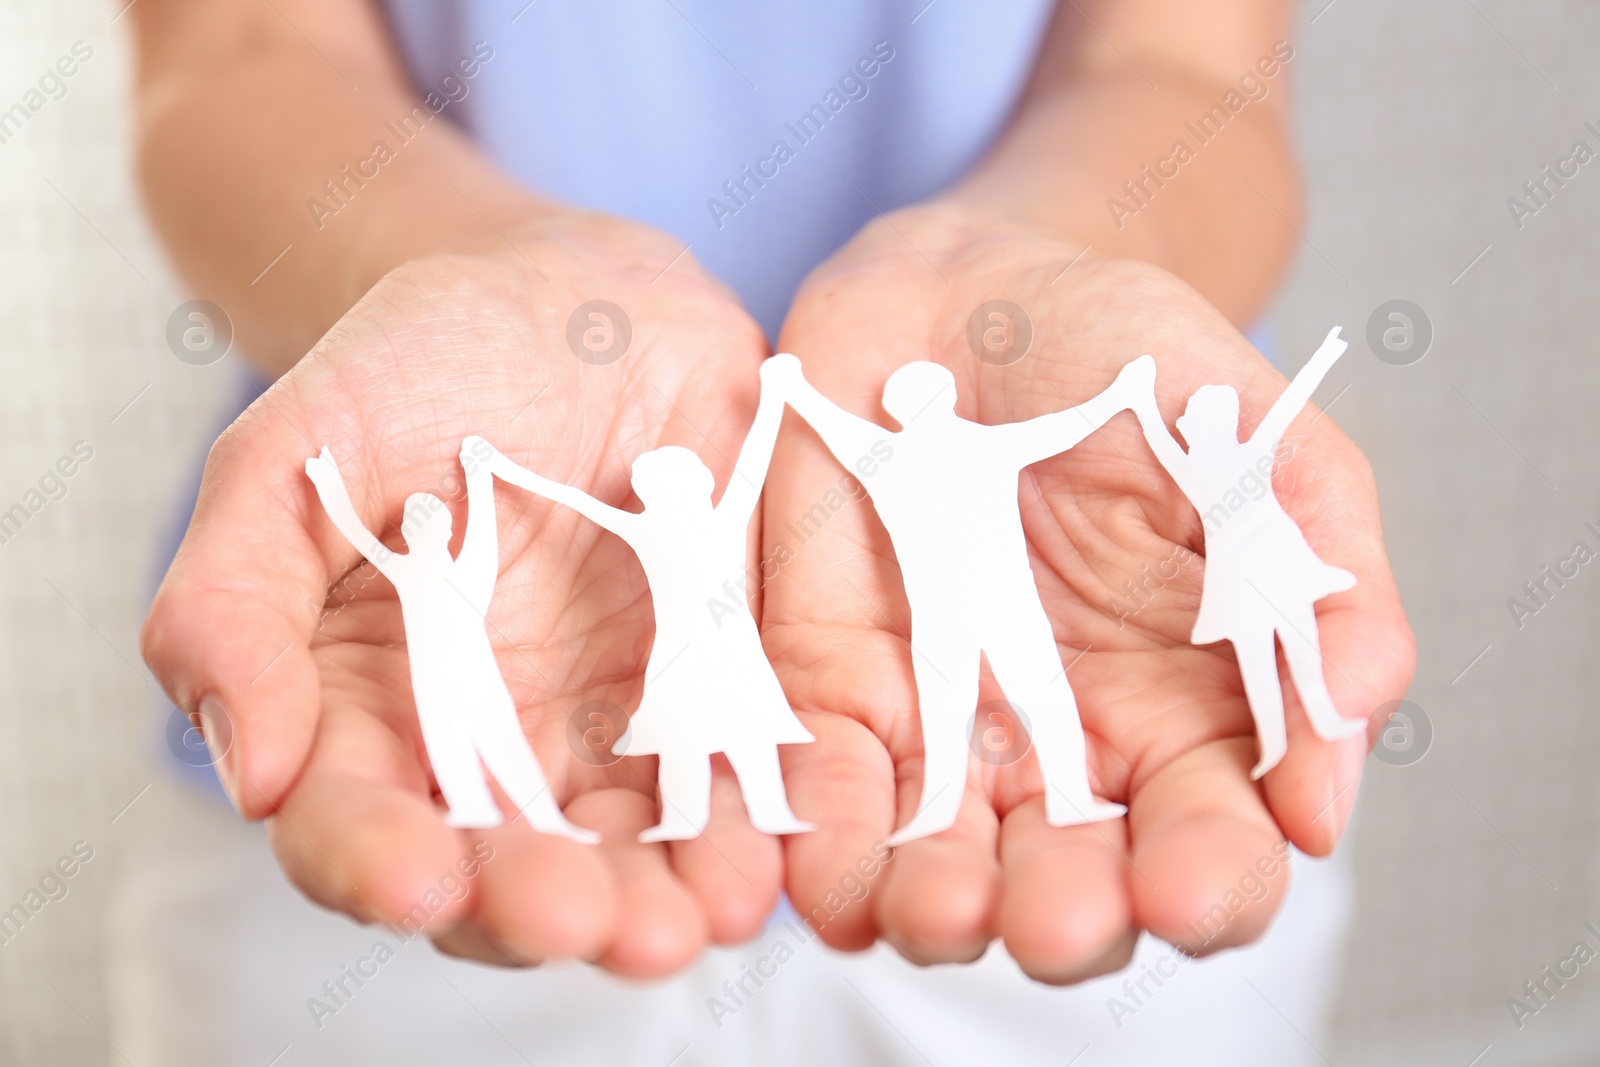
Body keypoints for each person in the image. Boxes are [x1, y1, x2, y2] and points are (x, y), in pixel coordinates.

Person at [126, 0, 1415, 1062]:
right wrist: (471, 269)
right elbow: (239, 56)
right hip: (409, 707)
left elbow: (1184, 65)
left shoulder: (952, 450)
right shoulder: (564, 531)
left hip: (1107, 665)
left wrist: (1051, 279)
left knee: (1004, 698)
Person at [769, 352, 1148, 843]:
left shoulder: (885, 455)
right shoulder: (986, 445)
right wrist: (1119, 395)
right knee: (1040, 694)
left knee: (950, 707)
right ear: (948, 397)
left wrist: (794, 387)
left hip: (946, 609)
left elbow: (832, 424)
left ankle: (943, 807)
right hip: (1000, 602)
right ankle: (1064, 793)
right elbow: (1064, 427)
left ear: (895, 409)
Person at [475, 361, 814, 843]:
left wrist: (777, 396)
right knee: (688, 738)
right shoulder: (670, 525)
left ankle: (761, 811)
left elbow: (755, 459)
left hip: (726, 651)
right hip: (685, 656)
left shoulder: (712, 521)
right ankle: (687, 818)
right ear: (651, 494)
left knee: (737, 732)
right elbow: (572, 498)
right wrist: (503, 469)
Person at [302, 442, 597, 840]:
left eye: (426, 522)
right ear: (407, 533)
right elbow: (355, 531)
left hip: (478, 680)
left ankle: (545, 818)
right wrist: (329, 486)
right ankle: (471, 806)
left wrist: (478, 476)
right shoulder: (407, 570)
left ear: (445, 530)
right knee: (449, 742)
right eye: (414, 524)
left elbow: (482, 530)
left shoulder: (464, 573)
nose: (419, 529)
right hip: (434, 683)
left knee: (503, 745)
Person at [1131, 327, 1366, 779]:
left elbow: (1289, 402)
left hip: (1274, 564)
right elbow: (1162, 442)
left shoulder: (1242, 454)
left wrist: (1326, 353)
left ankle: (1318, 718)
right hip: (1241, 578)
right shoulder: (1200, 467)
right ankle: (1274, 743)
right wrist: (1138, 399)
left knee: (1299, 641)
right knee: (1264, 657)